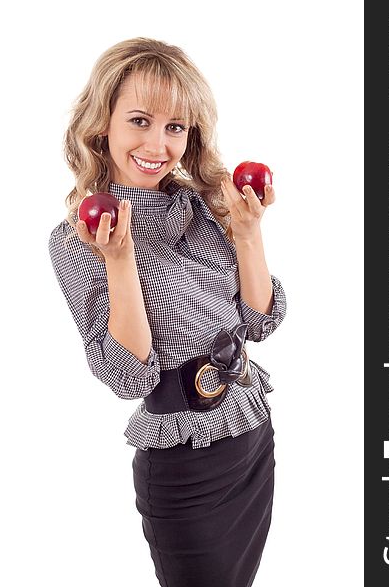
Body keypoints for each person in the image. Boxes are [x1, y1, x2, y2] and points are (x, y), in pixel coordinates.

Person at [48, 37, 286, 587]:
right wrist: (120, 259)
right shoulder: (77, 239)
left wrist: (248, 232)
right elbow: (130, 375)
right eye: (140, 120)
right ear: (101, 124)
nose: (159, 144)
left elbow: (259, 322)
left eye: (175, 127)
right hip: (183, 464)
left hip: (250, 434)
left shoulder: (201, 205)